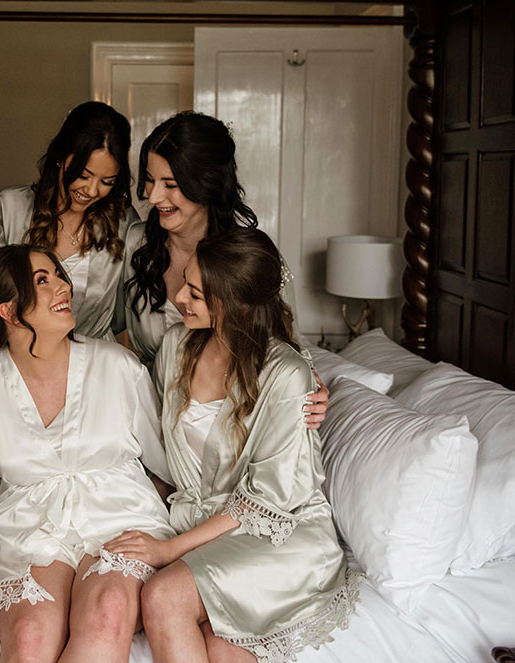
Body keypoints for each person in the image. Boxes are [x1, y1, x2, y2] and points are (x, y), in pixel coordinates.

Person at [105, 229, 359, 663]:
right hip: (205, 526)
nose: (180, 297)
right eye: (184, 281)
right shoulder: (175, 348)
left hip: (281, 532)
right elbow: (149, 442)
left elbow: (268, 500)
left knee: (165, 597)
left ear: (232, 302)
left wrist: (168, 550)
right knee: (222, 645)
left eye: (196, 293)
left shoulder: (286, 374)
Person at [0, 245, 175, 663]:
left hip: (121, 519)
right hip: (28, 531)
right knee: (29, 637)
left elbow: (167, 460)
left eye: (58, 274)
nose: (63, 285)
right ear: (8, 310)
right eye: (43, 280)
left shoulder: (118, 366)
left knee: (108, 610)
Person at [123, 111, 329, 428]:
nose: (153, 196)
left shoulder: (249, 257)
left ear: (206, 185)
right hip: (148, 422)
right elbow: (98, 324)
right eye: (150, 180)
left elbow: (289, 342)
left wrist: (312, 387)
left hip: (231, 428)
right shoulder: (136, 245)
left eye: (170, 184)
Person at [0, 101, 136, 341]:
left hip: (93, 360)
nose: (91, 190)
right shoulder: (11, 208)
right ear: (60, 156)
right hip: (20, 357)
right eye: (83, 174)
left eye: (107, 181)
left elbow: (123, 312)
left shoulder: (123, 222)